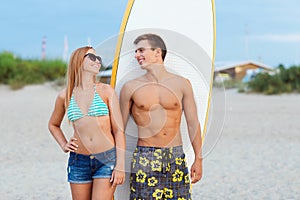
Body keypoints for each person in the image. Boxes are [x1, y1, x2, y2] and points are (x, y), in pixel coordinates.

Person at [120, 33, 203, 199]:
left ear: (158, 52)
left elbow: (193, 123)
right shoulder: (130, 87)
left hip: (175, 155)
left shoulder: (182, 84)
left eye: (141, 50)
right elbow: (118, 129)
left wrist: (198, 158)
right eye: (136, 51)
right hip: (145, 155)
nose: (137, 55)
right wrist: (118, 163)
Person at [48, 46, 125, 200]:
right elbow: (53, 124)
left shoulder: (106, 91)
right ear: (78, 62)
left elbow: (118, 131)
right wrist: (64, 144)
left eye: (98, 58)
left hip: (106, 159)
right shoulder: (65, 95)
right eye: (91, 57)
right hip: (78, 161)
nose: (97, 61)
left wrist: (120, 166)